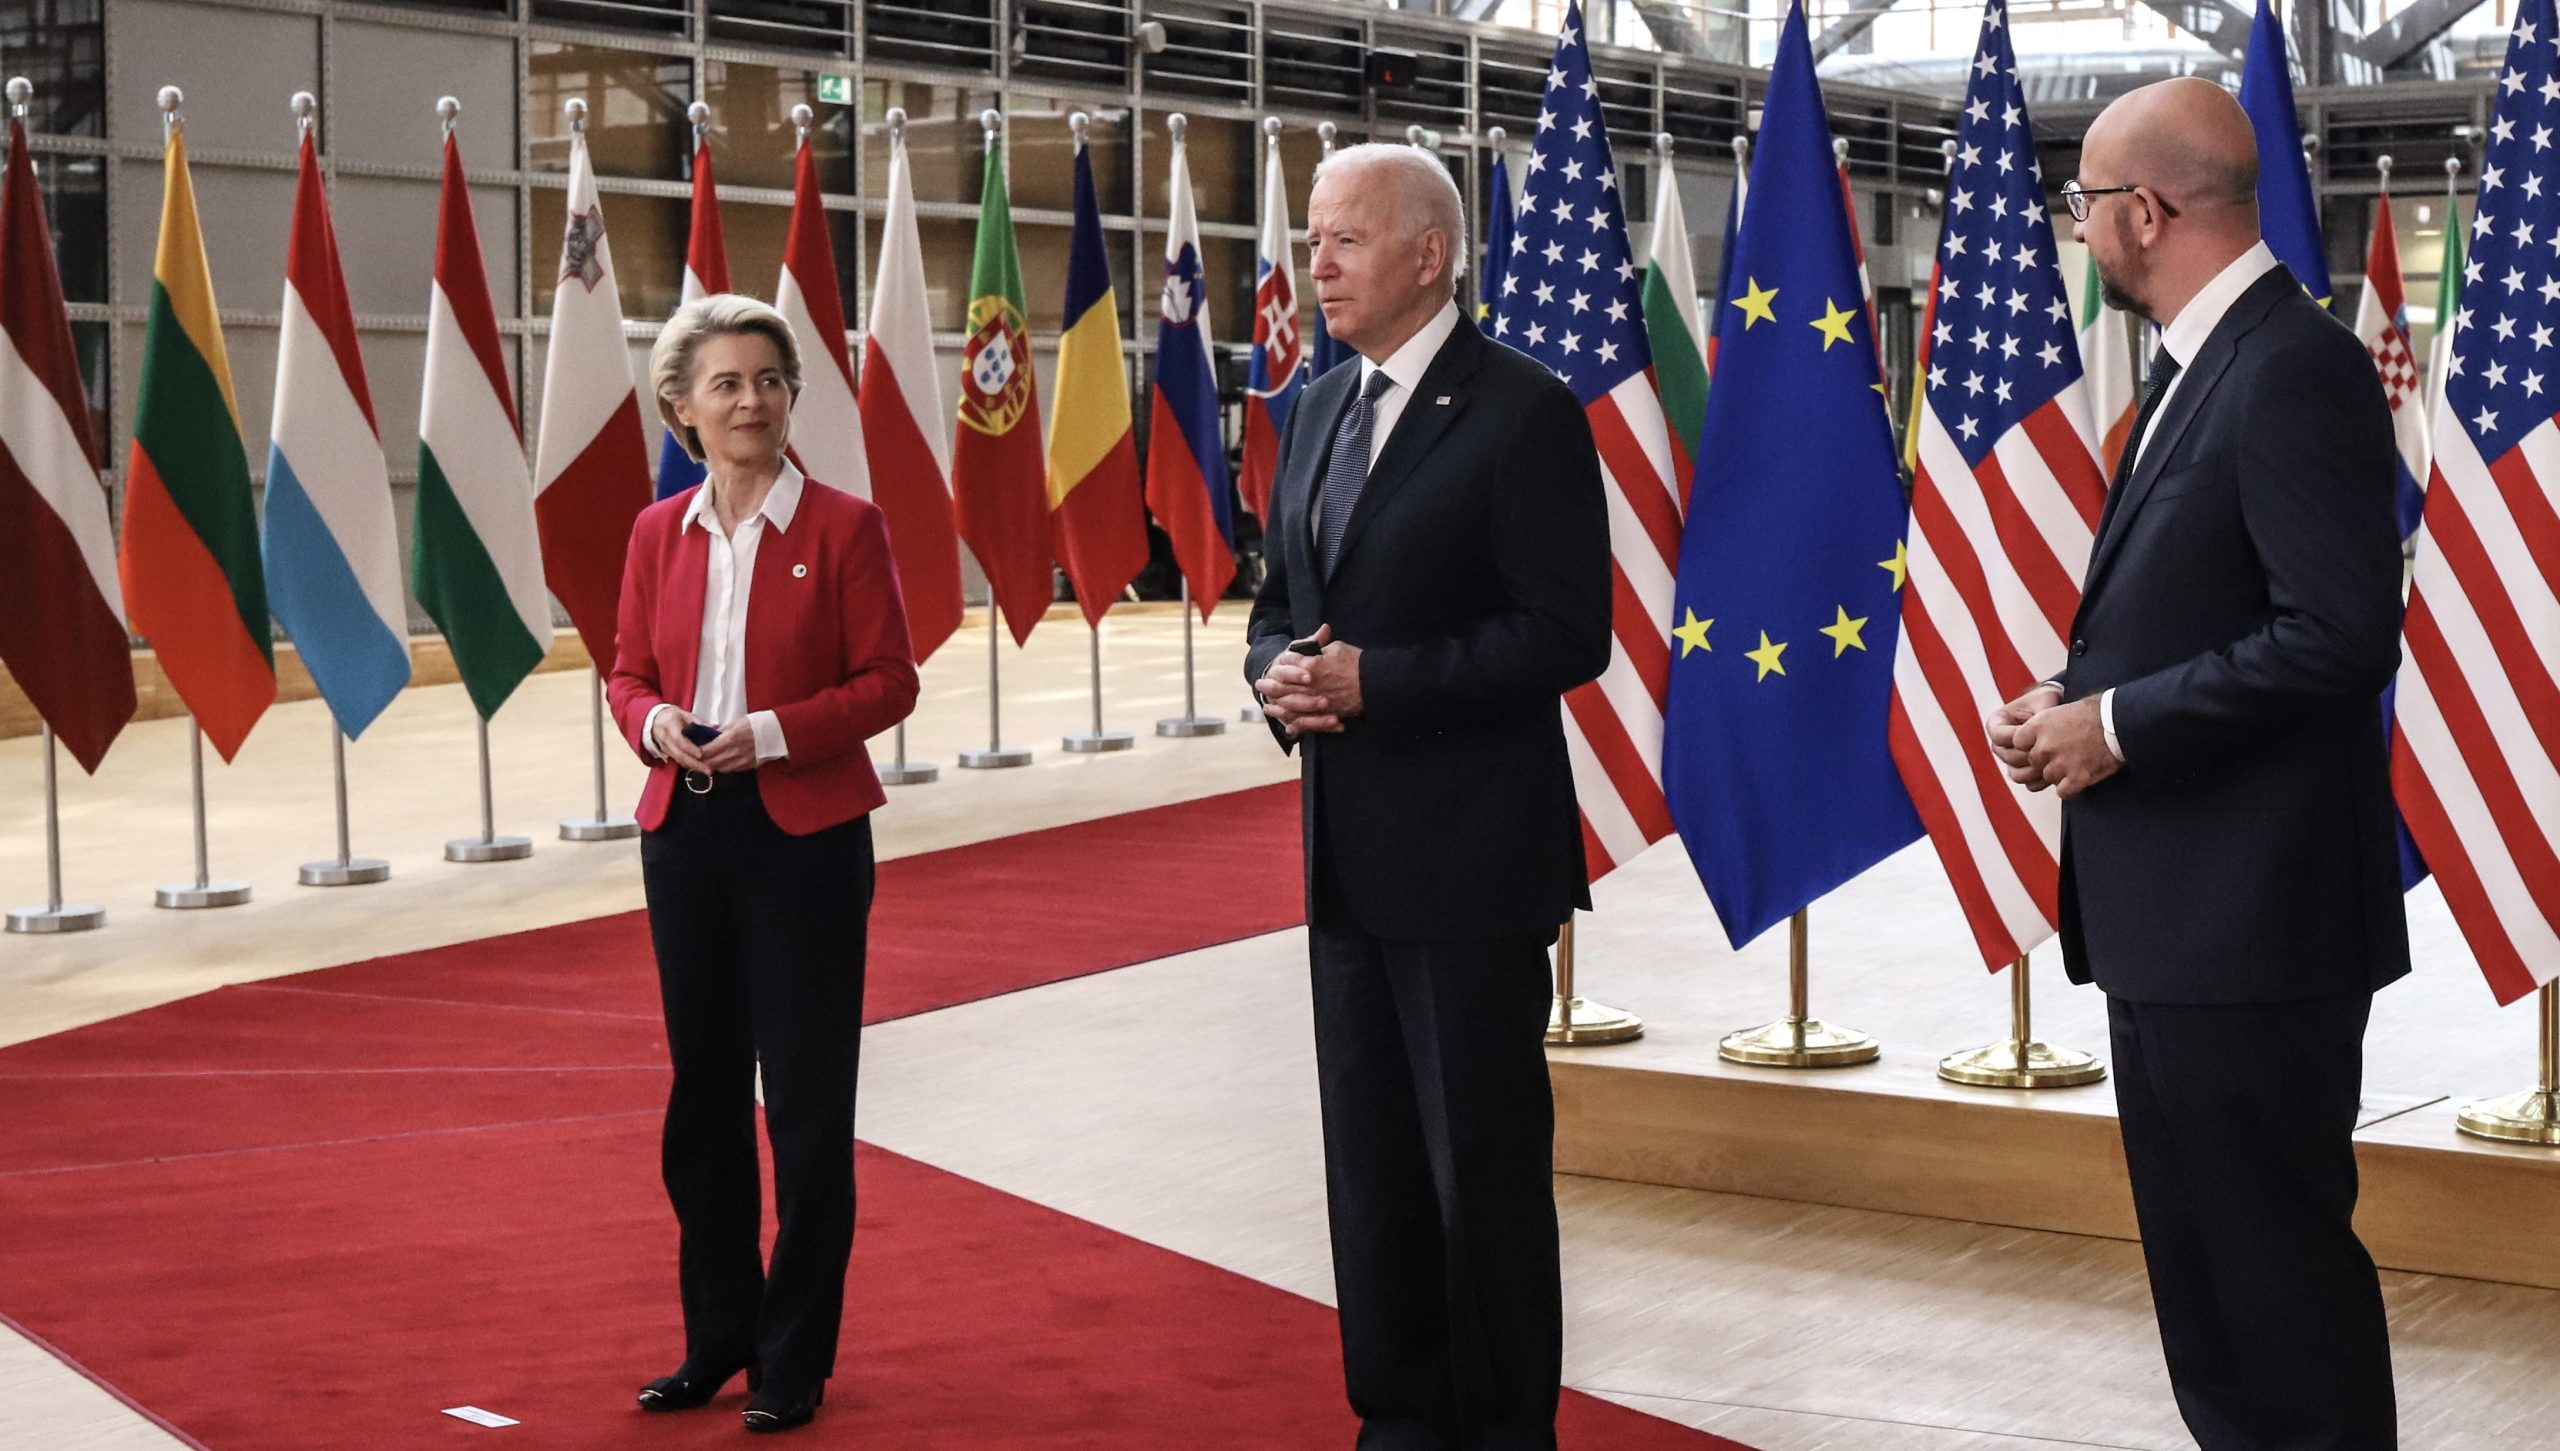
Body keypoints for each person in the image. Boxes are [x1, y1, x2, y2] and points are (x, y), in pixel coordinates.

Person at [1986, 78, 2408, 1449]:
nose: (2080, 230)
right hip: (2183, 918)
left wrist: (2112, 726)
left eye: (2086, 205)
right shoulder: (2201, 365)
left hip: (2255, 924)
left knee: (2276, 1293)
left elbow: (2337, 634)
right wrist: (2075, 691)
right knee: (2213, 1301)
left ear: (2148, 211)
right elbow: (2220, 604)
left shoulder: (2290, 365)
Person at [1244, 142, 1611, 1451]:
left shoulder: (1523, 409)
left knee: (1484, 1173)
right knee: (1376, 1166)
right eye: (1313, 238)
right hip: (1344, 859)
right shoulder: (1315, 406)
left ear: (1427, 253)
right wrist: (1277, 673)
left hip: (1471, 863)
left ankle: (1506, 1423)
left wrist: (1375, 683)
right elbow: (1280, 601)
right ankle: (1399, 1412)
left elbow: (1568, 632)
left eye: (1343, 238)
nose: (1317, 263)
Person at [607, 293, 919, 1435]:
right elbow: (626, 671)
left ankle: (793, 1357)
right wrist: (656, 727)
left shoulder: (844, 526)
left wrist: (772, 731)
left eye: (768, 380)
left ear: (793, 397)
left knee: (802, 1102)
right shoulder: (656, 532)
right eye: (726, 383)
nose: (750, 400)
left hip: (803, 840)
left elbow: (889, 680)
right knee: (702, 1098)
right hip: (683, 832)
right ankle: (716, 1338)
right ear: (681, 406)